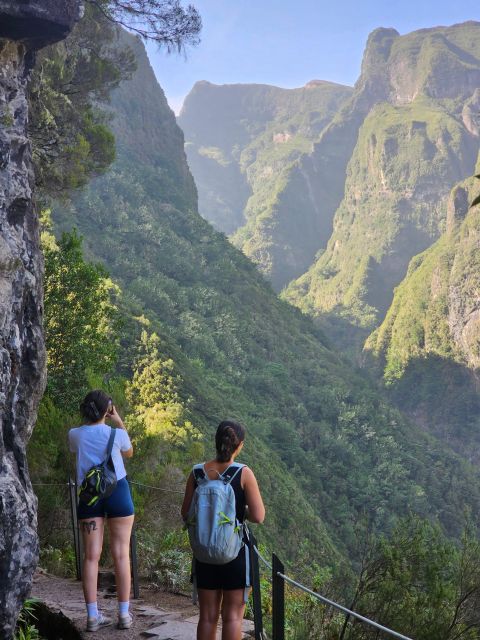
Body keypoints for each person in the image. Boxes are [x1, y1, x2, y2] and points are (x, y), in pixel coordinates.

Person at [181, 420, 265, 640]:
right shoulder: (243, 473)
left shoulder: (197, 473)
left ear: (217, 442)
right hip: (234, 554)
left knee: (207, 617)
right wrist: (240, 513)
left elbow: (185, 513)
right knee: (232, 618)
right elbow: (258, 516)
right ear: (240, 445)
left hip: (204, 555)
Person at [68, 389, 135, 632]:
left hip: (89, 496)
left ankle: (93, 616)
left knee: (91, 557)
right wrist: (117, 419)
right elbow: (129, 452)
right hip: (118, 491)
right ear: (107, 410)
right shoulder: (116, 434)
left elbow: (78, 448)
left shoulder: (74, 435)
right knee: (121, 554)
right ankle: (124, 614)